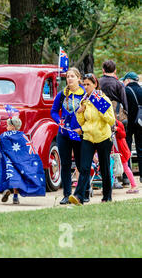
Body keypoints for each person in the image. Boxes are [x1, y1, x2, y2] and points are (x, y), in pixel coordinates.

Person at [69, 73, 115, 205]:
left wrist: (100, 107)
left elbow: (111, 120)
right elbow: (83, 122)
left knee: (105, 168)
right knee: (84, 168)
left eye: (88, 84)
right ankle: (79, 197)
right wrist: (80, 112)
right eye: (84, 84)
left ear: (95, 84)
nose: (86, 87)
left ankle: (107, 197)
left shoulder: (103, 98)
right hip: (88, 137)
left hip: (103, 137)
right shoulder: (84, 100)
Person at [50, 67, 85, 204]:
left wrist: (82, 128)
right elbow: (53, 111)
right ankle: (66, 194)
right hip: (64, 133)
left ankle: (81, 193)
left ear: (78, 78)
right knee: (65, 164)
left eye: (72, 76)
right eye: (67, 76)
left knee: (81, 164)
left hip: (78, 133)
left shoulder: (84, 94)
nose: (69, 79)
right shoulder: (62, 94)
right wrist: (59, 122)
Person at [0, 116, 46, 205]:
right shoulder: (22, 135)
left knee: (9, 175)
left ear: (12, 126)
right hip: (21, 161)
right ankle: (15, 197)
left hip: (9, 159)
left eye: (8, 125)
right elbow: (28, 147)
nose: (6, 127)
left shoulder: (5, 135)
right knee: (18, 177)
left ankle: (7, 189)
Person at [122, 72, 142, 183]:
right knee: (141, 149)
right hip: (140, 123)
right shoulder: (141, 90)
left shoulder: (126, 91)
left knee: (127, 149)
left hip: (129, 124)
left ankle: (127, 177)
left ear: (128, 80)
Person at [113, 120, 139, 193]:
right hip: (112, 151)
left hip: (121, 151)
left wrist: (117, 129)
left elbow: (123, 135)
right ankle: (110, 186)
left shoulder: (118, 123)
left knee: (125, 168)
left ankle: (134, 185)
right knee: (111, 168)